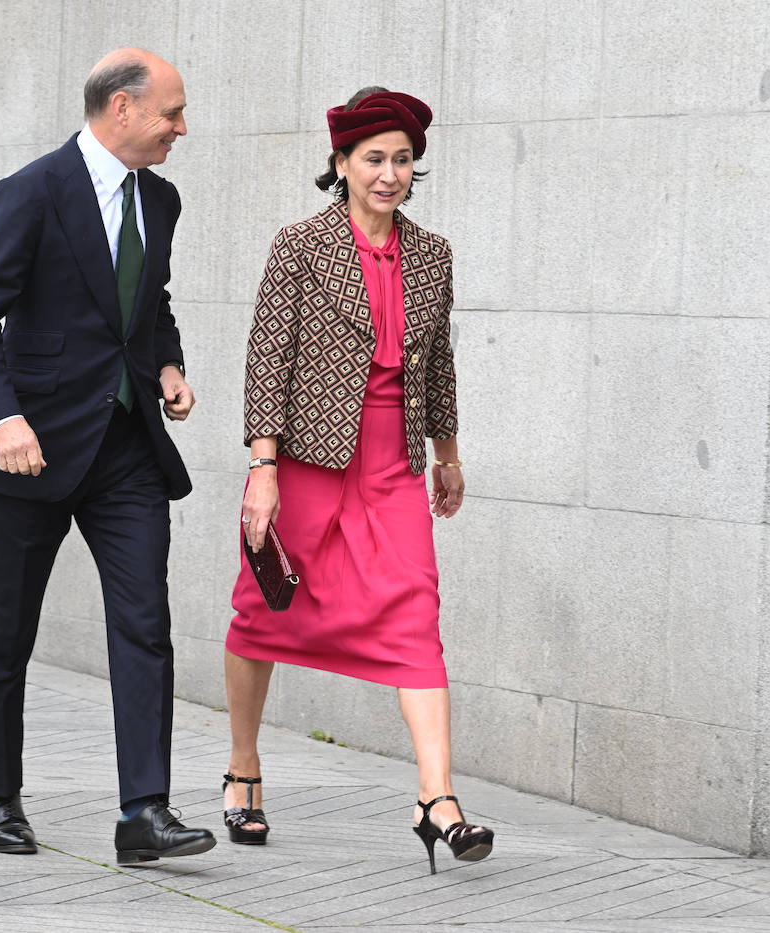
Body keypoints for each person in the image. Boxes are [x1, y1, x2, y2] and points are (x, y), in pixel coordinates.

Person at [0, 48, 215, 865]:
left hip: (127, 453)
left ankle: (144, 812)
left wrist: (166, 362)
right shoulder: (29, 192)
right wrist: (3, 418)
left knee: (145, 627)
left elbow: (147, 302)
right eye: (170, 111)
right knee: (5, 635)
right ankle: (1, 800)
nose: (180, 127)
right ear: (122, 109)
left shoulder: (160, 201)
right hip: (32, 452)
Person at [222, 87, 493, 874]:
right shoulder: (300, 245)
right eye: (373, 158)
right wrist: (262, 469)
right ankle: (244, 768)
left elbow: (438, 361)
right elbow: (267, 356)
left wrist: (448, 453)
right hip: (306, 459)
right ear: (340, 164)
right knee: (261, 609)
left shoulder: (433, 253)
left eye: (403, 160)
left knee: (416, 612)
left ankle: (436, 797)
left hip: (391, 462)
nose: (389, 174)